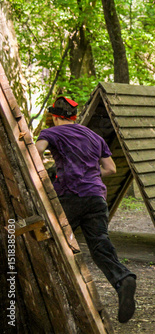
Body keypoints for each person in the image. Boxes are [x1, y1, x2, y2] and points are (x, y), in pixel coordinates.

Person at [35, 97, 137, 323]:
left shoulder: (51, 133)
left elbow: (35, 155)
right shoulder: (94, 136)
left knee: (49, 239)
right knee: (100, 245)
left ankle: (52, 292)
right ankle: (123, 279)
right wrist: (86, 173)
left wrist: (49, 174)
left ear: (54, 116)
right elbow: (110, 168)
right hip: (96, 197)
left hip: (71, 196)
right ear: (74, 116)